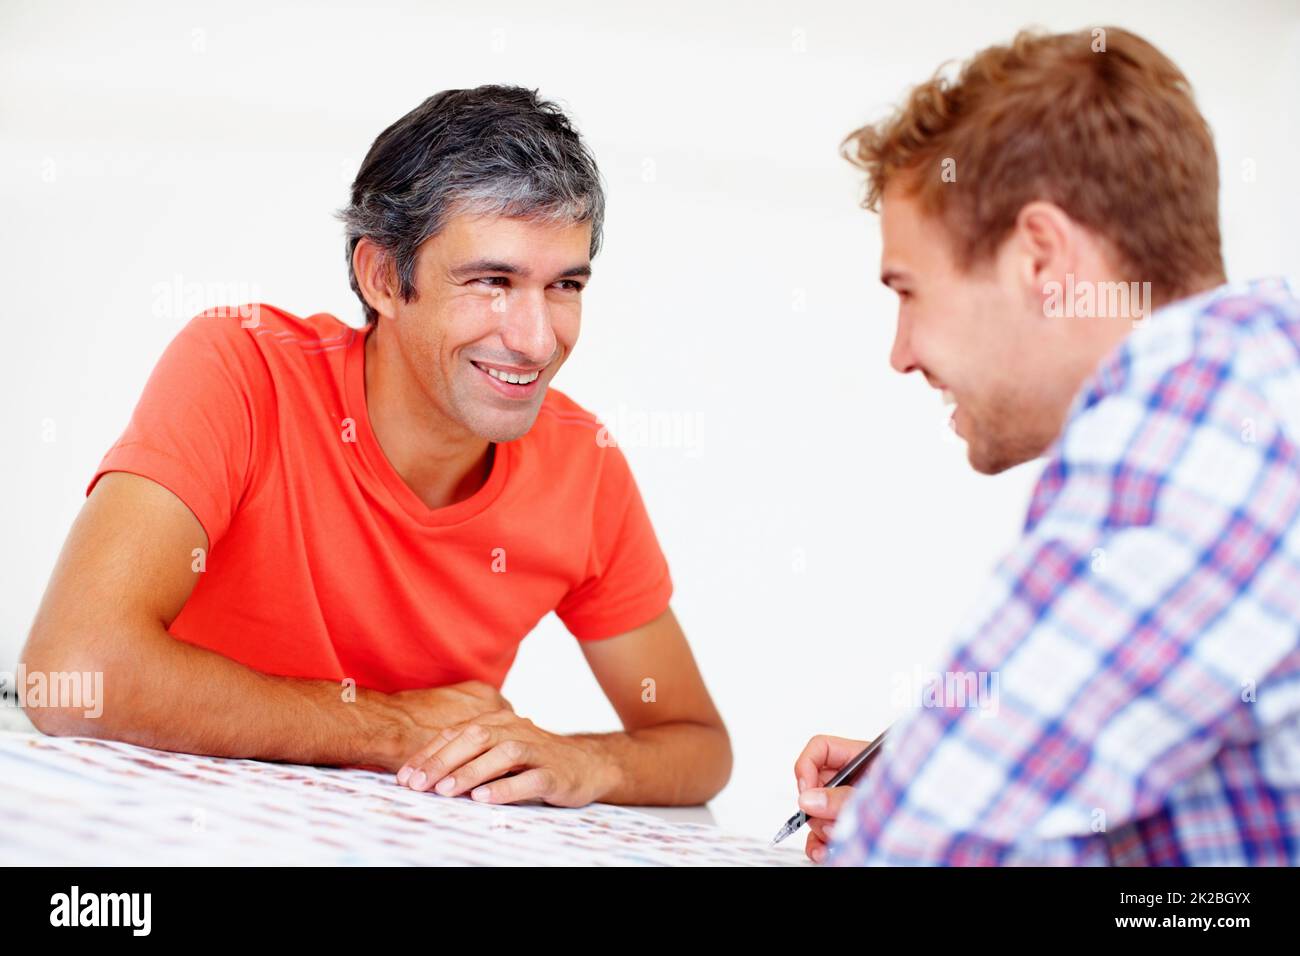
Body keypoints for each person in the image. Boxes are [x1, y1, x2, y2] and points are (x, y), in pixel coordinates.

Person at [21, 85, 730, 809]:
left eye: (564, 285)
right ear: (383, 277)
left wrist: (586, 762)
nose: (537, 339)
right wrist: (390, 729)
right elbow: (72, 673)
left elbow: (697, 744)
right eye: (492, 281)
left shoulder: (585, 467)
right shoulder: (242, 370)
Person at [796, 27, 1300, 864]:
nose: (902, 352)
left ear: (1041, 259)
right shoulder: (1258, 380)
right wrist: (920, 779)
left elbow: (923, 849)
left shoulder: (1191, 442)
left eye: (910, 292)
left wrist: (913, 810)